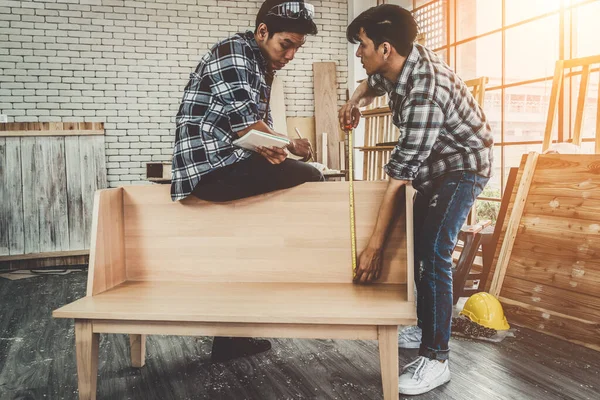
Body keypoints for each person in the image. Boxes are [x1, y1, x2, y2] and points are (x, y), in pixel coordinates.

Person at [339, 4, 493, 395]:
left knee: (434, 252)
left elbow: (397, 179)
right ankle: (419, 326)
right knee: (411, 246)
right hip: (432, 167)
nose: (360, 54)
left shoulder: (425, 90)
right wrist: (354, 101)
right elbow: (374, 84)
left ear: (386, 49)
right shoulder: (397, 65)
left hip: (462, 166)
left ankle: (437, 358)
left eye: (363, 47)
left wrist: (373, 248)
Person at [171, 0, 322, 362]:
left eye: (297, 48)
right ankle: (302, 270)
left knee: (244, 246)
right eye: (286, 44)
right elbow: (248, 128)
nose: (290, 55)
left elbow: (258, 132)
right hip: (209, 170)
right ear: (262, 32)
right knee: (313, 176)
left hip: (231, 164)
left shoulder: (261, 66)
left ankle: (230, 339)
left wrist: (279, 146)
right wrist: (283, 145)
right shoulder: (235, 52)